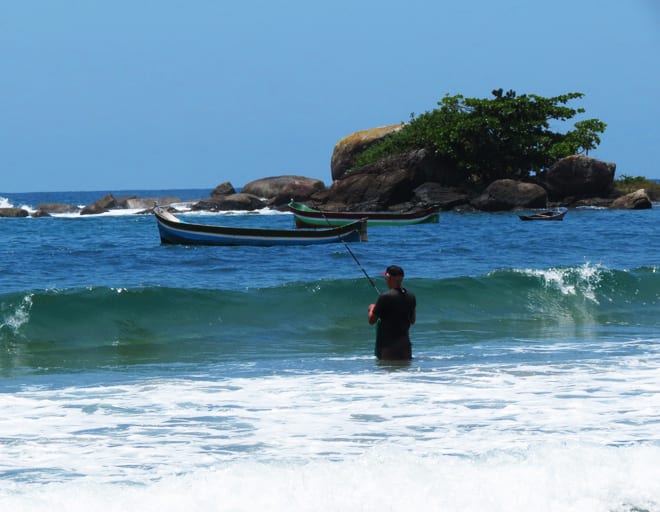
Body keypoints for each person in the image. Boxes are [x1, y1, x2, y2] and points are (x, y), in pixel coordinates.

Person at [367, 265, 416, 360]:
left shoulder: (385, 297)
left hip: (388, 349)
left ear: (388, 277)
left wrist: (372, 308)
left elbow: (372, 320)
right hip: (405, 348)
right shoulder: (411, 296)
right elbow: (412, 320)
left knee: (388, 373)